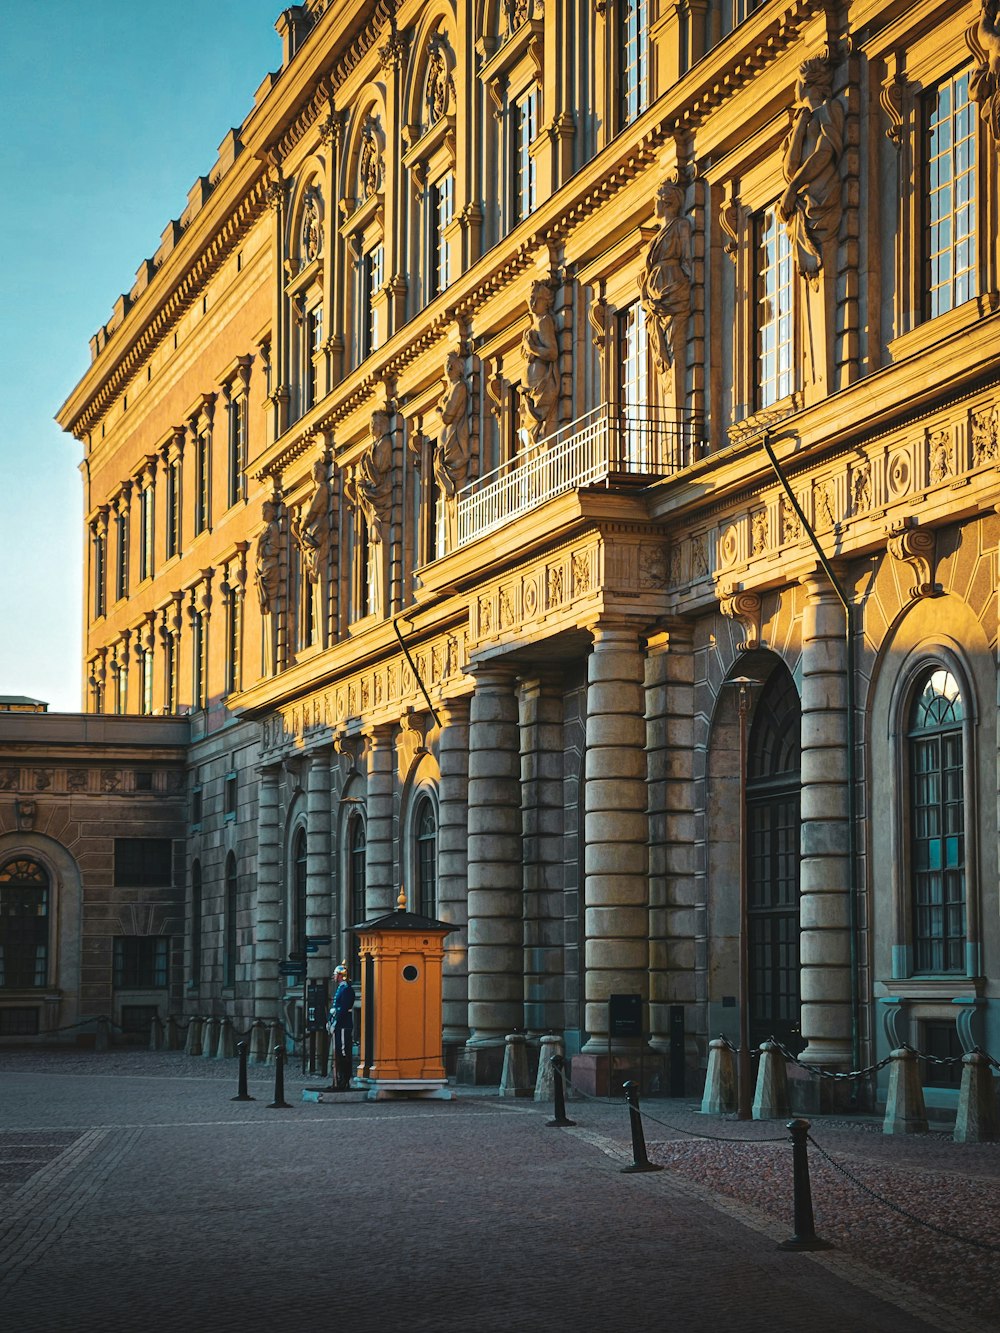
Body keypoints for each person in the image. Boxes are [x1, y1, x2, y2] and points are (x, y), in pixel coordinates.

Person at [327, 964, 356, 1090]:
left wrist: (335, 1022)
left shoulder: (347, 990)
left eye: (336, 974)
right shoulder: (340, 988)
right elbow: (335, 1008)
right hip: (339, 1024)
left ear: (341, 975)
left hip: (343, 1024)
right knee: (338, 1051)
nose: (334, 977)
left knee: (344, 1052)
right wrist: (330, 1021)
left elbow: (343, 1009)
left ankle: (344, 1079)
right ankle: (338, 1079)